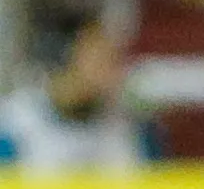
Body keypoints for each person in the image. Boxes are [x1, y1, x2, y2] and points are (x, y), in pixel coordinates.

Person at [0, 21, 144, 174]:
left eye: (115, 60)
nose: (110, 71)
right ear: (67, 57)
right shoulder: (16, 121)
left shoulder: (125, 127)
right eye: (98, 58)